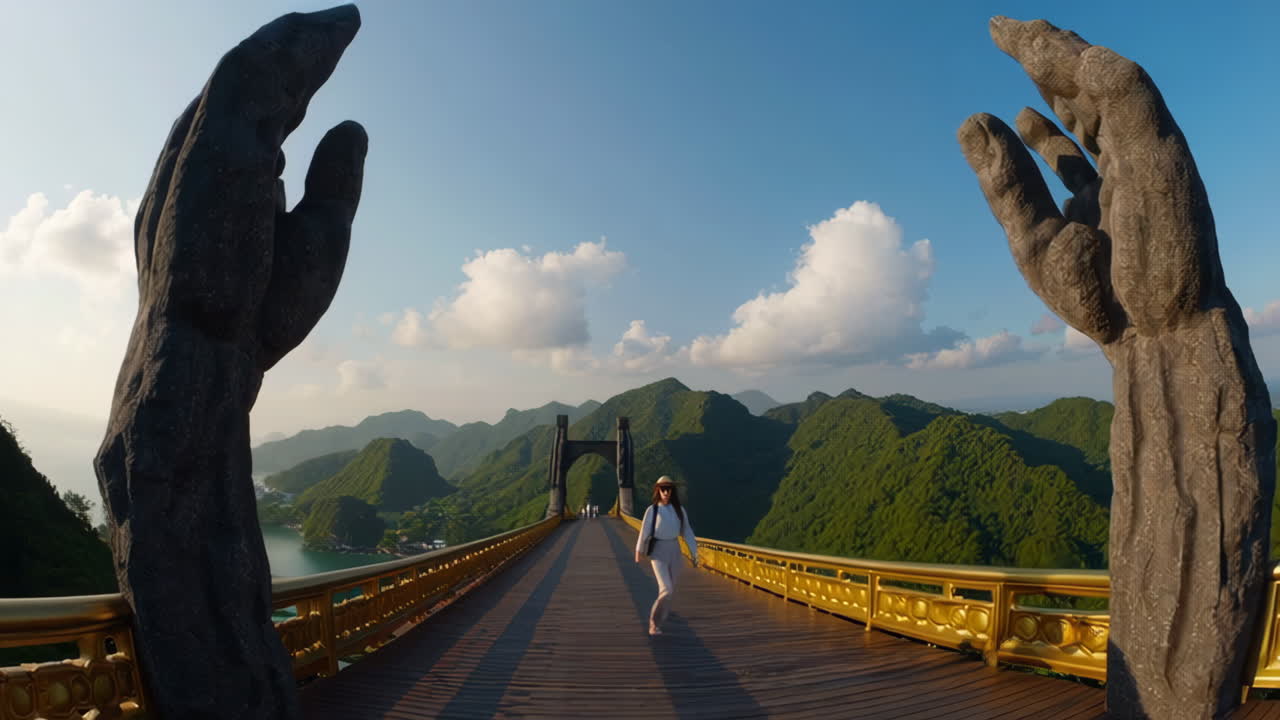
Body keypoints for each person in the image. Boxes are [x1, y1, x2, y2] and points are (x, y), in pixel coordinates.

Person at [634, 475, 698, 636]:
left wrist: (694, 553)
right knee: (666, 589)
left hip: (675, 550)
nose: (666, 492)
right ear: (658, 490)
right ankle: (653, 624)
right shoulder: (652, 510)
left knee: (669, 592)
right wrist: (638, 551)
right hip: (659, 551)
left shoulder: (679, 510)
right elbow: (644, 531)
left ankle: (659, 622)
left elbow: (687, 531)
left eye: (669, 489)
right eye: (663, 489)